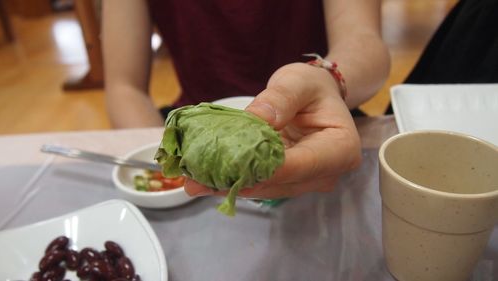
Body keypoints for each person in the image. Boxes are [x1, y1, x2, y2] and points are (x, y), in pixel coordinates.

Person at [101, 0, 390, 198]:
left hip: (320, 120)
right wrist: (171, 168)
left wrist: (328, 78)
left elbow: (365, 44)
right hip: (194, 137)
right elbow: (124, 87)